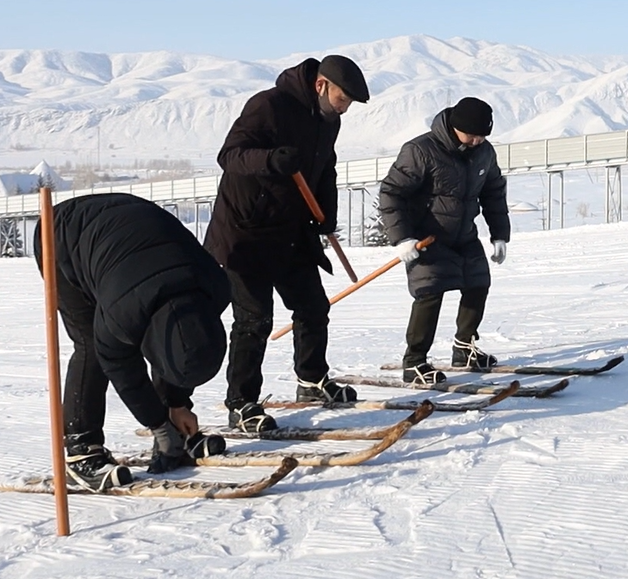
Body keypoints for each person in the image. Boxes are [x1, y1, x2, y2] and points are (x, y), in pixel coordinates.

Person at [204, 54, 370, 431]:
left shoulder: (329, 121)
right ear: (321, 85)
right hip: (245, 232)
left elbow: (325, 170)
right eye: (342, 98)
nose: (344, 108)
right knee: (254, 318)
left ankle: (311, 381)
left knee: (313, 306)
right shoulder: (269, 105)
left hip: (291, 230)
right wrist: (270, 160)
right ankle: (241, 403)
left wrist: (326, 214)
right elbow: (229, 156)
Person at [37, 193, 231, 491]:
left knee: (177, 335)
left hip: (126, 228)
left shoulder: (216, 288)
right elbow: (123, 370)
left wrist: (177, 404)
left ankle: (176, 427)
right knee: (90, 344)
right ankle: (81, 451)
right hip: (61, 233)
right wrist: (158, 424)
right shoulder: (121, 313)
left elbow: (183, 342)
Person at [378, 97, 511, 385]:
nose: (477, 141)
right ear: (455, 127)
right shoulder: (420, 151)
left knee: (478, 283)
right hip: (427, 238)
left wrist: (500, 234)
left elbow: (493, 192)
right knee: (429, 292)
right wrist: (402, 238)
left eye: (482, 136)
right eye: (471, 135)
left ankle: (464, 348)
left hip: (464, 235)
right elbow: (391, 193)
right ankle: (414, 362)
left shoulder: (484, 153)